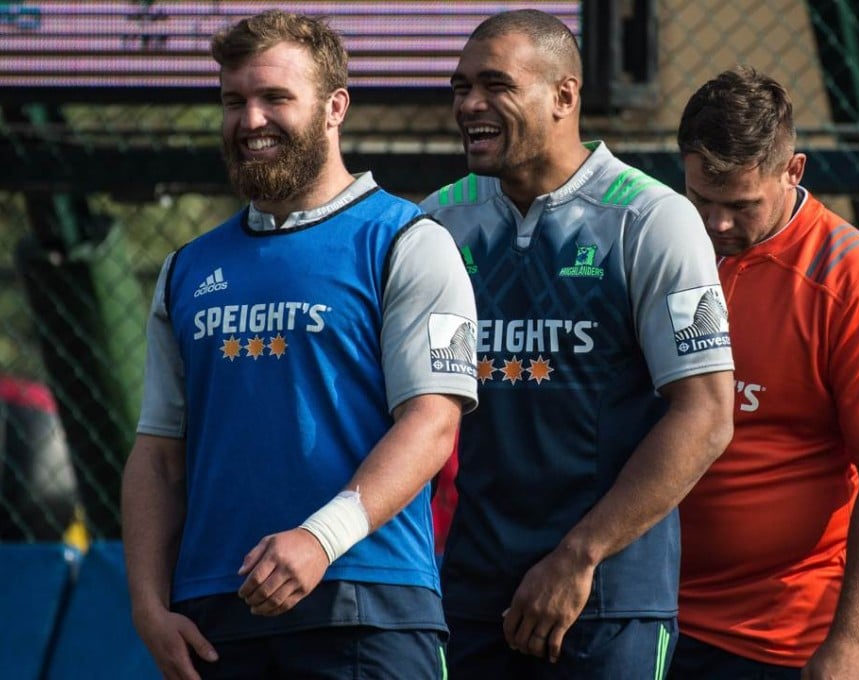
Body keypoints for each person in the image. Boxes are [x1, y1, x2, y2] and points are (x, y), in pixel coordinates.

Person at [121, 10, 478, 679]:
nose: (251, 120)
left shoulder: (409, 242)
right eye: (234, 101)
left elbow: (433, 424)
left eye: (275, 98)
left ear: (334, 106)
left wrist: (321, 539)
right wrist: (146, 604)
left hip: (366, 602)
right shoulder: (187, 269)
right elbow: (158, 454)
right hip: (214, 614)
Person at [420, 10, 735, 678]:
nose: (469, 103)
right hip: (475, 595)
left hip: (606, 598)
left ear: (565, 95)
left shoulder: (656, 220)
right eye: (460, 86)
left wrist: (578, 557)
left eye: (494, 84)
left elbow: (707, 414)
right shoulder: (438, 221)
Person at [671, 67, 859, 679]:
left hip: (776, 637)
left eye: (740, 205)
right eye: (700, 199)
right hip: (645, 610)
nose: (717, 223)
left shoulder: (857, 285)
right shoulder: (664, 249)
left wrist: (852, 642)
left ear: (794, 171)